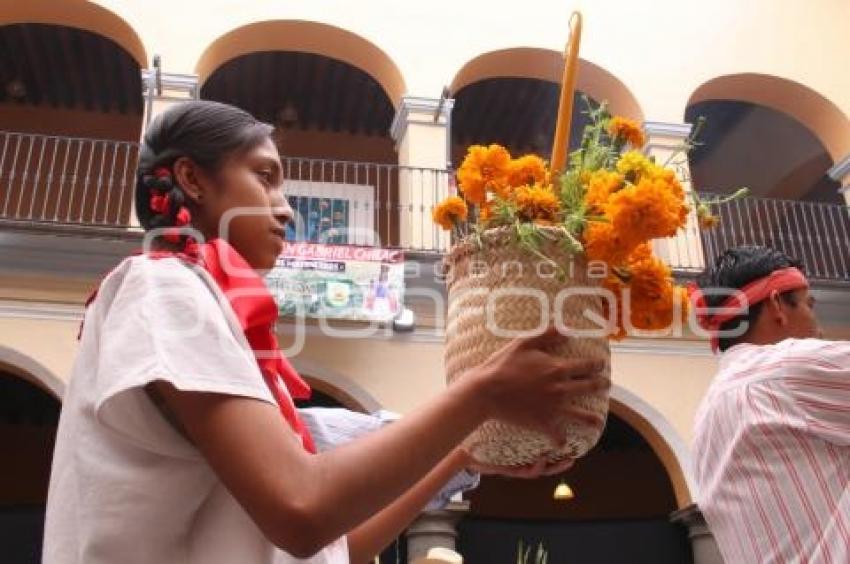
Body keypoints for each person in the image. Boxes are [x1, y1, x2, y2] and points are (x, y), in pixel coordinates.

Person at [43, 101, 608, 564]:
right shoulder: (162, 286)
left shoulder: (201, 303)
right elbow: (301, 509)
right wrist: (482, 393)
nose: (285, 209)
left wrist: (462, 454)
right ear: (191, 177)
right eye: (264, 177)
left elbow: (332, 548)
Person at [690, 245, 849, 563]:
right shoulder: (788, 367)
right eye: (808, 305)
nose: (819, 328)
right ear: (778, 303)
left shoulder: (706, 415)